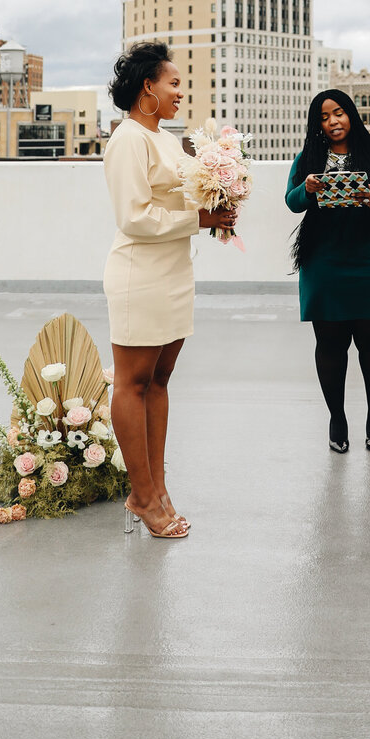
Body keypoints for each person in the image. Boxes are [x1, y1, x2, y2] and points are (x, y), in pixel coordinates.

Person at [102, 41, 236, 540]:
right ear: (146, 88)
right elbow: (134, 217)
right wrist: (199, 219)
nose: (181, 92)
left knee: (159, 381)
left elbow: (186, 198)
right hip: (141, 276)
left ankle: (157, 489)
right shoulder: (127, 140)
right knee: (132, 383)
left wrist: (221, 203)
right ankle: (141, 495)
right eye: (173, 83)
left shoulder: (167, 139)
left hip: (174, 274)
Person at [286, 90, 370, 452]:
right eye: (324, 117)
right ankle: (337, 418)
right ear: (316, 124)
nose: (333, 121)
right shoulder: (307, 158)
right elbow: (291, 201)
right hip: (323, 264)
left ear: (350, 114)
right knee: (330, 346)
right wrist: (306, 189)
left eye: (338, 113)